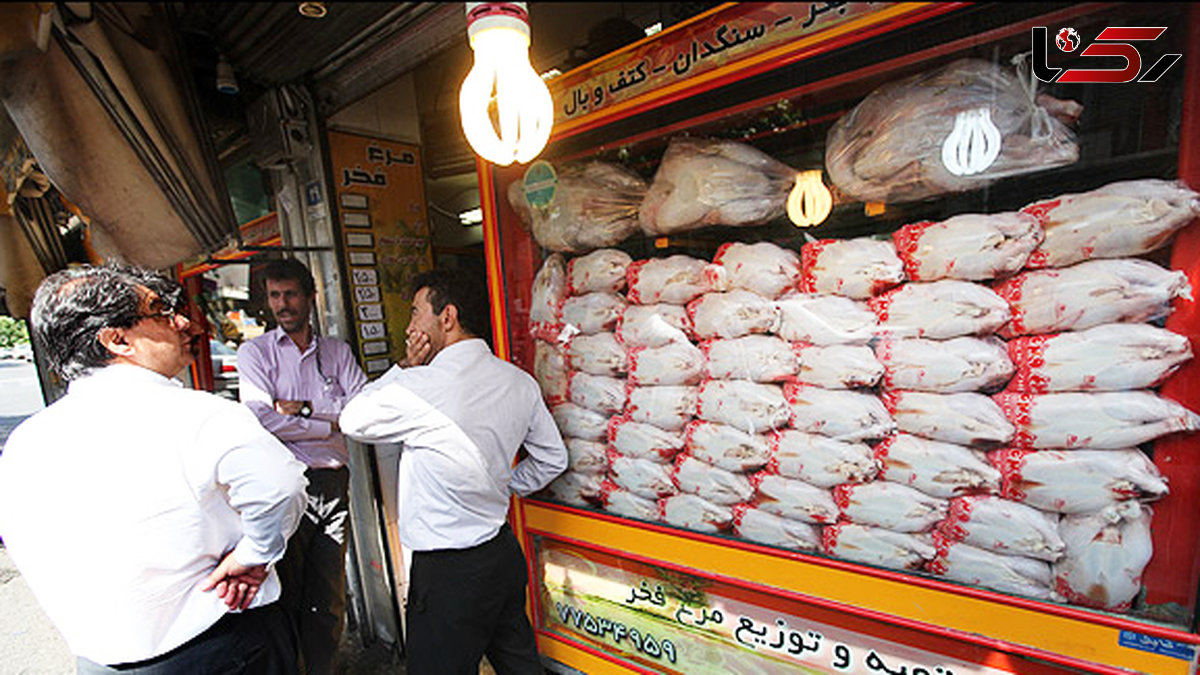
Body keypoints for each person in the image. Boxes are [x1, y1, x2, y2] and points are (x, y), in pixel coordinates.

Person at [0, 264, 308, 673]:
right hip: (221, 649)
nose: (184, 323)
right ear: (118, 339)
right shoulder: (199, 414)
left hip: (101, 662)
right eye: (161, 312)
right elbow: (281, 487)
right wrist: (254, 555)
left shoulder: (27, 440)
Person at [340, 269, 568, 675]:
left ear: (447, 317)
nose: (411, 327)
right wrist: (505, 485)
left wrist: (405, 367)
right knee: (520, 664)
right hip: (500, 554)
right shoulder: (518, 381)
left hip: (447, 573)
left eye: (415, 314)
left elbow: (352, 419)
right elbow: (552, 459)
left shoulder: (422, 384)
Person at [237, 258, 367, 675]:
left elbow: (363, 409)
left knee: (329, 593)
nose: (283, 304)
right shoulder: (255, 354)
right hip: (285, 486)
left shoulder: (336, 351)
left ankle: (324, 670)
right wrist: (329, 421)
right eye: (275, 296)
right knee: (288, 592)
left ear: (311, 296)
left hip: (333, 484)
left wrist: (304, 411)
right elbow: (258, 419)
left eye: (290, 294)